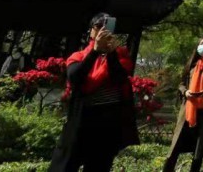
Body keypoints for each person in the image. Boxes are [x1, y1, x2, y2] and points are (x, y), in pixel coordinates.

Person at [49, 13, 138, 172]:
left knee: (99, 165)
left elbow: (119, 78)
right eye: (98, 27)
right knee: (65, 163)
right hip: (82, 119)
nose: (102, 30)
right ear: (91, 31)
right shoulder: (79, 56)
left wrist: (110, 54)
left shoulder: (120, 56)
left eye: (107, 27)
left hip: (108, 123)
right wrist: (95, 51)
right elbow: (75, 77)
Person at [163, 36, 203, 172]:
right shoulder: (191, 64)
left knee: (199, 149)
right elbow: (181, 84)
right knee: (175, 147)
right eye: (201, 43)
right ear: (197, 47)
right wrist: (185, 92)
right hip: (188, 110)